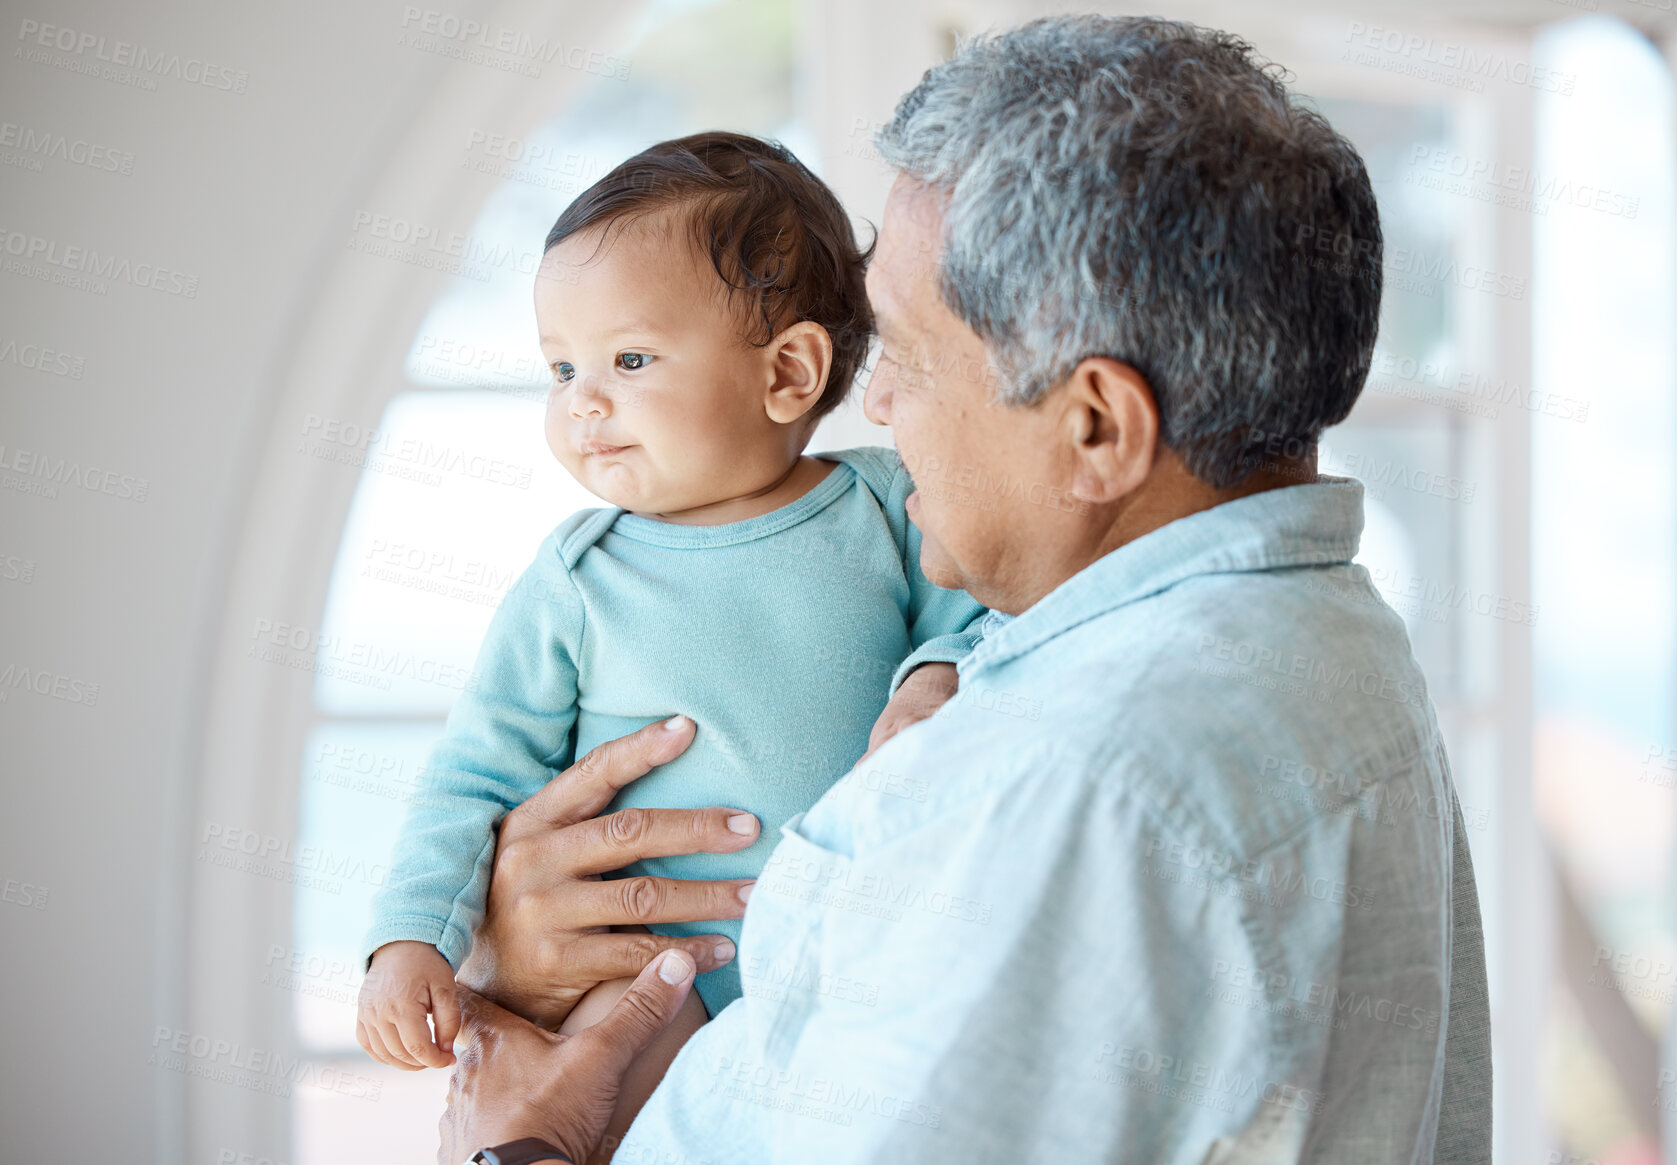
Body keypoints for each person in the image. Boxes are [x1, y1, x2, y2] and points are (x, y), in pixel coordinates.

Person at [440, 15, 1492, 1165]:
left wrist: (521, 1147)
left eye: (905, 351)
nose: (874, 404)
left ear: (1094, 427)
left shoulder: (1067, 790)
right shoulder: (1318, 632)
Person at [354, 132, 988, 1147]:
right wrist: (406, 940)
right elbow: (471, 774)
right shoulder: (576, 579)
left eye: (628, 359)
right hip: (642, 974)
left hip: (853, 968)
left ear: (788, 372)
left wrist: (932, 675)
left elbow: (985, 618)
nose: (581, 402)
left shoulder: (884, 507)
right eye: (559, 368)